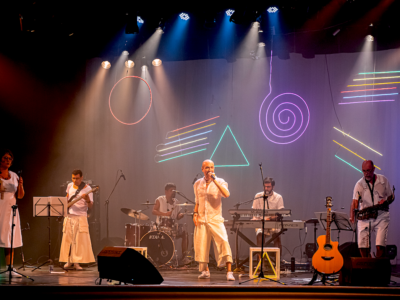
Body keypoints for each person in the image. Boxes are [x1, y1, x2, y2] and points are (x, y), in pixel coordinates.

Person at [193, 159, 235, 281]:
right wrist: (195, 214)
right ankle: (205, 271)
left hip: (215, 218)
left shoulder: (220, 181)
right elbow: (197, 201)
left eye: (211, 167)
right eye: (207, 168)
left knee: (224, 242)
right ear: (202, 169)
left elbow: (226, 194)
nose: (209, 170)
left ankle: (229, 272)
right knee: (201, 245)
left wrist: (214, 180)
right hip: (201, 218)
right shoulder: (197, 184)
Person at [350, 160, 393, 258]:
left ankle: (377, 268)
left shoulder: (383, 180)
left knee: (380, 245)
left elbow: (391, 196)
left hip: (381, 215)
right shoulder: (359, 184)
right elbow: (354, 202)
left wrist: (385, 201)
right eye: (364, 171)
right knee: (362, 246)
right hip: (365, 216)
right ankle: (368, 266)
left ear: (374, 169)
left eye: (369, 171)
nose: (366, 174)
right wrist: (352, 215)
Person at [59, 169, 95, 270]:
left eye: (77, 178)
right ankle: (69, 260)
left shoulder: (87, 188)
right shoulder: (70, 185)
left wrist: (87, 199)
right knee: (68, 240)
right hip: (69, 216)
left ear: (82, 178)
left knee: (78, 241)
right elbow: (67, 197)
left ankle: (77, 263)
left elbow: (91, 206)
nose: (75, 180)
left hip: (81, 217)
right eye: (73, 178)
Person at [0, 149, 24, 275]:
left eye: (10, 159)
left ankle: (10, 267)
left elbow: (20, 196)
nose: (7, 160)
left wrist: (20, 185)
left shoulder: (14, 175)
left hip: (11, 210)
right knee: (1, 236)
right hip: (0, 209)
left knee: (10, 238)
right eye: (5, 158)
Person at [152, 183, 188, 257]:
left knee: (185, 233)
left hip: (173, 227)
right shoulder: (160, 199)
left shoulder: (176, 202)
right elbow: (153, 211)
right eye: (171, 190)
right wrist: (165, 214)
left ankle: (184, 257)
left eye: (174, 190)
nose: (174, 192)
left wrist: (181, 215)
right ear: (166, 191)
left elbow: (177, 216)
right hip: (160, 226)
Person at [252, 177, 284, 255]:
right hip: (261, 223)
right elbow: (253, 211)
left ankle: (277, 263)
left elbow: (280, 214)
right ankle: (260, 263)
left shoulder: (278, 197)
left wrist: (270, 218)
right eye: (265, 186)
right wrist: (254, 218)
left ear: (273, 187)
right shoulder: (258, 196)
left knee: (277, 235)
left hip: (273, 223)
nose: (266, 188)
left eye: (268, 187)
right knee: (260, 234)